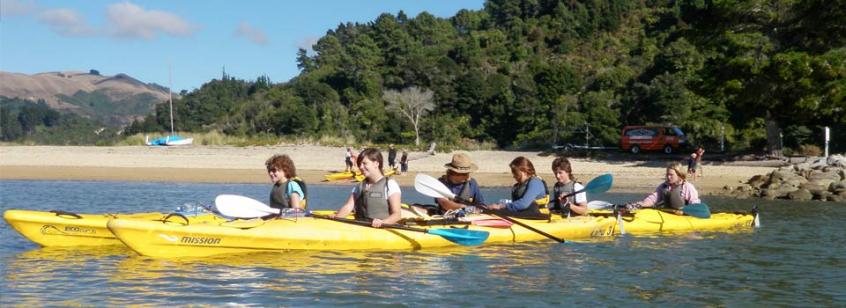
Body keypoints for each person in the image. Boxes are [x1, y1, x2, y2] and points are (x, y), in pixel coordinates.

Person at [331, 148, 402, 227]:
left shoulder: (390, 185)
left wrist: (382, 222)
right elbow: (348, 207)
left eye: (365, 163)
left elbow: (397, 215)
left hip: (382, 230)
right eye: (360, 164)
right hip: (361, 228)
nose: (361, 167)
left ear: (376, 164)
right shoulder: (359, 186)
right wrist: (337, 218)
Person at [485, 156, 550, 219]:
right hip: (524, 215)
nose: (514, 176)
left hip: (540, 217)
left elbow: (523, 204)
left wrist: (500, 206)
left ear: (524, 171)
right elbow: (515, 206)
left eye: (516, 173)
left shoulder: (535, 182)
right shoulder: (518, 186)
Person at [633, 162, 701, 213]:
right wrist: (642, 204)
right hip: (668, 215)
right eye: (667, 174)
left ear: (679, 175)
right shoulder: (664, 186)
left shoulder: (687, 187)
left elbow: (695, 203)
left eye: (671, 175)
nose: (668, 177)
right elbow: (653, 198)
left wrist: (687, 211)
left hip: (683, 216)